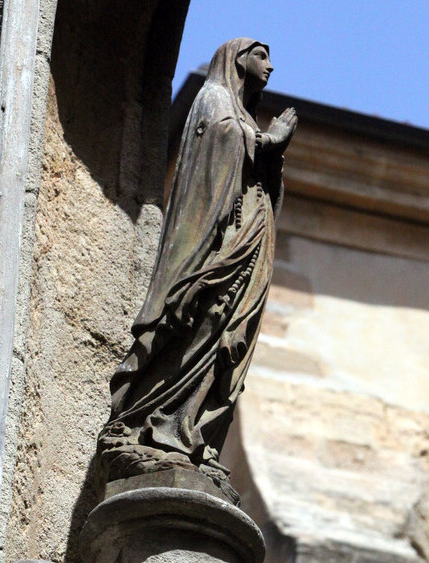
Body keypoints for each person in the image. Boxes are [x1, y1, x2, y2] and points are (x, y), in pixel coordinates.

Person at [98, 38, 297, 488]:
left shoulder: (242, 114)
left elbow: (255, 176)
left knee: (227, 335)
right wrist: (268, 141)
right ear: (237, 58)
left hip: (245, 245)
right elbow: (221, 145)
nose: (271, 65)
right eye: (261, 55)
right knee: (202, 318)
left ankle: (189, 431)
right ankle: (152, 421)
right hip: (215, 246)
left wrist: (271, 153)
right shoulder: (214, 98)